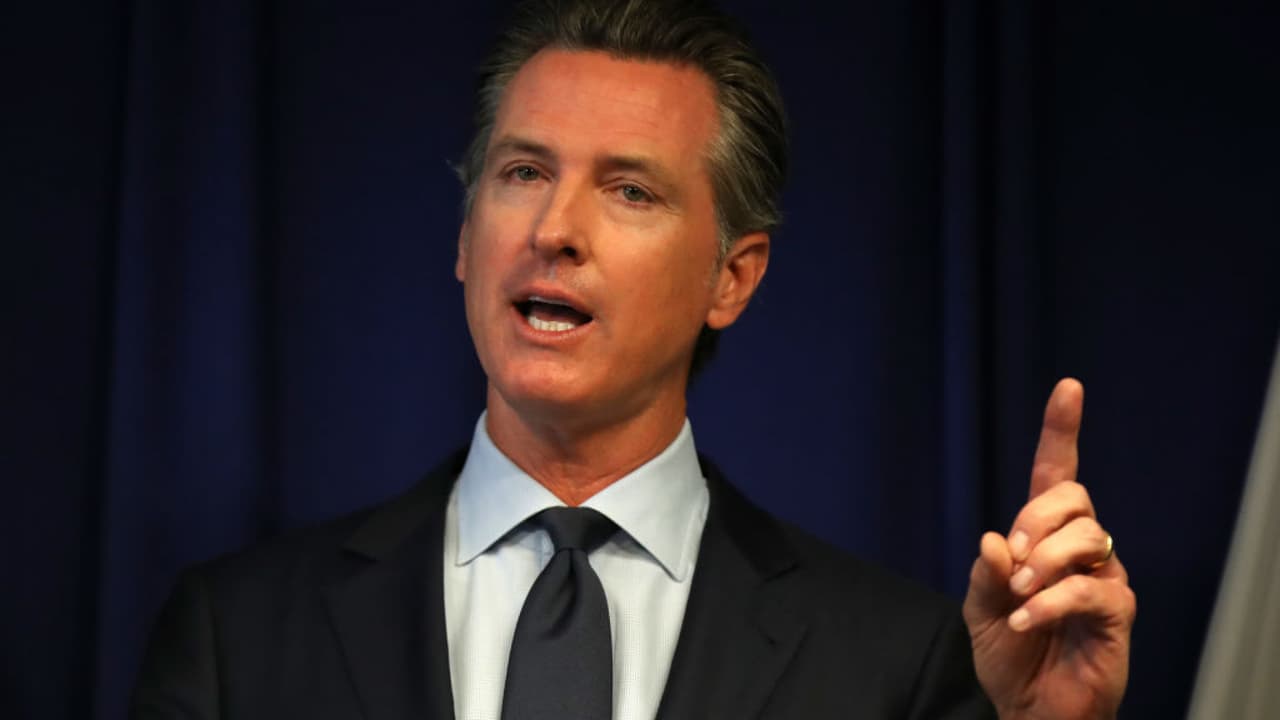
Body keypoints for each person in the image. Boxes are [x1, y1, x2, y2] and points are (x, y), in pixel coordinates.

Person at [132, 0, 1136, 718]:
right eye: (523, 171)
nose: (553, 230)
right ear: (464, 235)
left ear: (731, 278)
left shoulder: (894, 665)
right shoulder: (235, 639)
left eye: (629, 191)